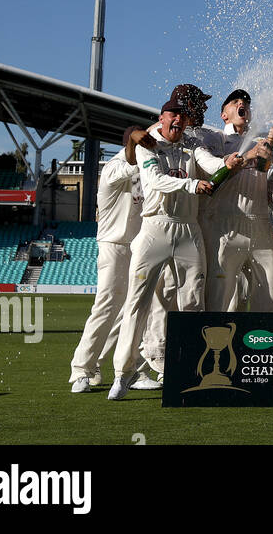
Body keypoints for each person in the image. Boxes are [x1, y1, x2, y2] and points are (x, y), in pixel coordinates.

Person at [107, 96, 260, 400]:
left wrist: (228, 163)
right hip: (155, 227)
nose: (178, 120)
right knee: (137, 303)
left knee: (192, 303)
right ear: (161, 118)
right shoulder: (147, 145)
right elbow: (154, 180)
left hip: (188, 228)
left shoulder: (192, 148)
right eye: (172, 115)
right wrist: (191, 185)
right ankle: (122, 375)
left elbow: (210, 163)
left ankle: (190, 372)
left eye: (182, 116)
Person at [68, 127, 162, 393]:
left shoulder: (147, 166)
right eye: (142, 142)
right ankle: (81, 370)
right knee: (106, 306)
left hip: (141, 245)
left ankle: (130, 370)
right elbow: (132, 165)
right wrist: (137, 144)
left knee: (134, 311)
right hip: (114, 244)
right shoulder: (114, 166)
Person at [200, 89, 273, 312]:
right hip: (225, 224)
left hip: (260, 225)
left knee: (271, 301)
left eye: (246, 102)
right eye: (235, 102)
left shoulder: (260, 141)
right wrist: (248, 155)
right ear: (224, 114)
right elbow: (212, 171)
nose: (242, 104)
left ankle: (265, 347)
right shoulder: (215, 138)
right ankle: (220, 346)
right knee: (220, 302)